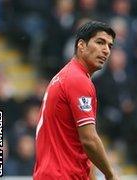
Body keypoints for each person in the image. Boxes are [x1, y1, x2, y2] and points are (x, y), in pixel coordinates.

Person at [33, 21, 118, 180]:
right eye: (100, 42)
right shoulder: (77, 80)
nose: (106, 50)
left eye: (110, 46)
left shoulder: (66, 76)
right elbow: (89, 140)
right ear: (81, 45)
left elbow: (82, 143)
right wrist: (110, 175)